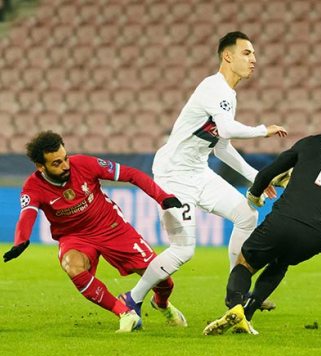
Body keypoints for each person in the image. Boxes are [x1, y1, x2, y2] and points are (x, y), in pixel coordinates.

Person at [119, 31, 287, 316]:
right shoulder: (214, 88)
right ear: (227, 56)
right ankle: (131, 298)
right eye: (247, 53)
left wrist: (257, 178)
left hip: (198, 171)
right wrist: (262, 130)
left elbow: (221, 147)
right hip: (173, 176)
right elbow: (226, 130)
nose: (254, 60)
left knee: (247, 215)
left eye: (255, 54)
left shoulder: (228, 96)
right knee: (184, 249)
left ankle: (238, 290)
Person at [202, 103, 321, 335]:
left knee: (245, 262)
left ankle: (236, 307)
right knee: (281, 262)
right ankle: (247, 316)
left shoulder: (311, 142)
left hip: (285, 220)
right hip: (319, 235)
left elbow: (267, 174)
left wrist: (254, 195)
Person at [2, 131, 187, 333]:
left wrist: (162, 197)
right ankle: (125, 312)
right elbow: (27, 215)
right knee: (72, 266)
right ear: (40, 167)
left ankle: (162, 304)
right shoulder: (33, 187)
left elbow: (130, 174)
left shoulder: (84, 164)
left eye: (65, 159)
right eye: (56, 163)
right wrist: (21, 241)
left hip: (112, 227)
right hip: (75, 237)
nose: (65, 166)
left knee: (163, 280)